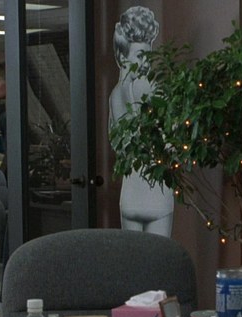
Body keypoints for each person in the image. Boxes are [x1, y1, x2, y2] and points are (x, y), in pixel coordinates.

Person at [108, 6, 174, 237]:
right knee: (156, 257)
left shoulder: (116, 95)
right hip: (152, 196)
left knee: (137, 258)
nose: (145, 63)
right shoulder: (144, 90)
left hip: (137, 197)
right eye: (139, 56)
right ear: (122, 57)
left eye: (148, 56)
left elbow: (121, 146)